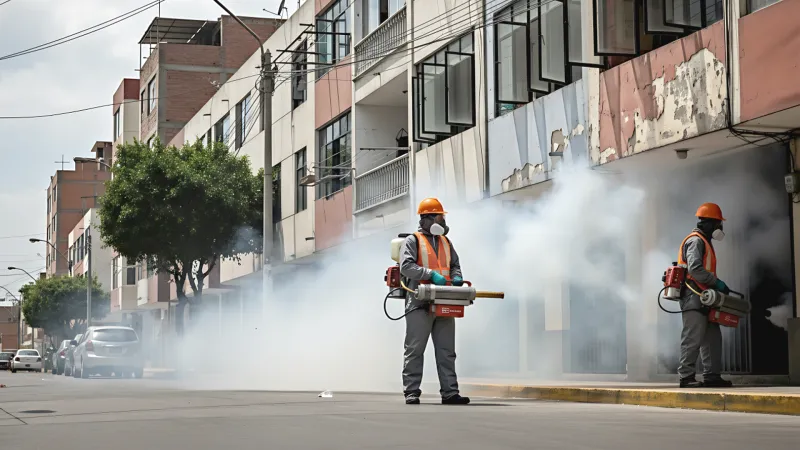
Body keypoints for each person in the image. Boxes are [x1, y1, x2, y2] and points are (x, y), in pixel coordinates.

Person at [399, 197, 470, 405]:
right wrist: (430, 274)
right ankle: (411, 391)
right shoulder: (413, 241)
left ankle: (450, 392)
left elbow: (455, 265)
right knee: (415, 349)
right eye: (439, 216)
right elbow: (406, 266)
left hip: (444, 300)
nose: (443, 220)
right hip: (419, 302)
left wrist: (456, 277)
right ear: (427, 218)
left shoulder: (446, 242)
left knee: (446, 351)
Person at [677, 202, 733, 388]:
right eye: (718, 224)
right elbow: (695, 268)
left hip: (706, 297)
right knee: (692, 337)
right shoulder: (696, 241)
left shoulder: (705, 241)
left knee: (712, 339)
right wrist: (716, 282)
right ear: (708, 223)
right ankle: (686, 377)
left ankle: (712, 376)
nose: (720, 228)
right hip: (693, 296)